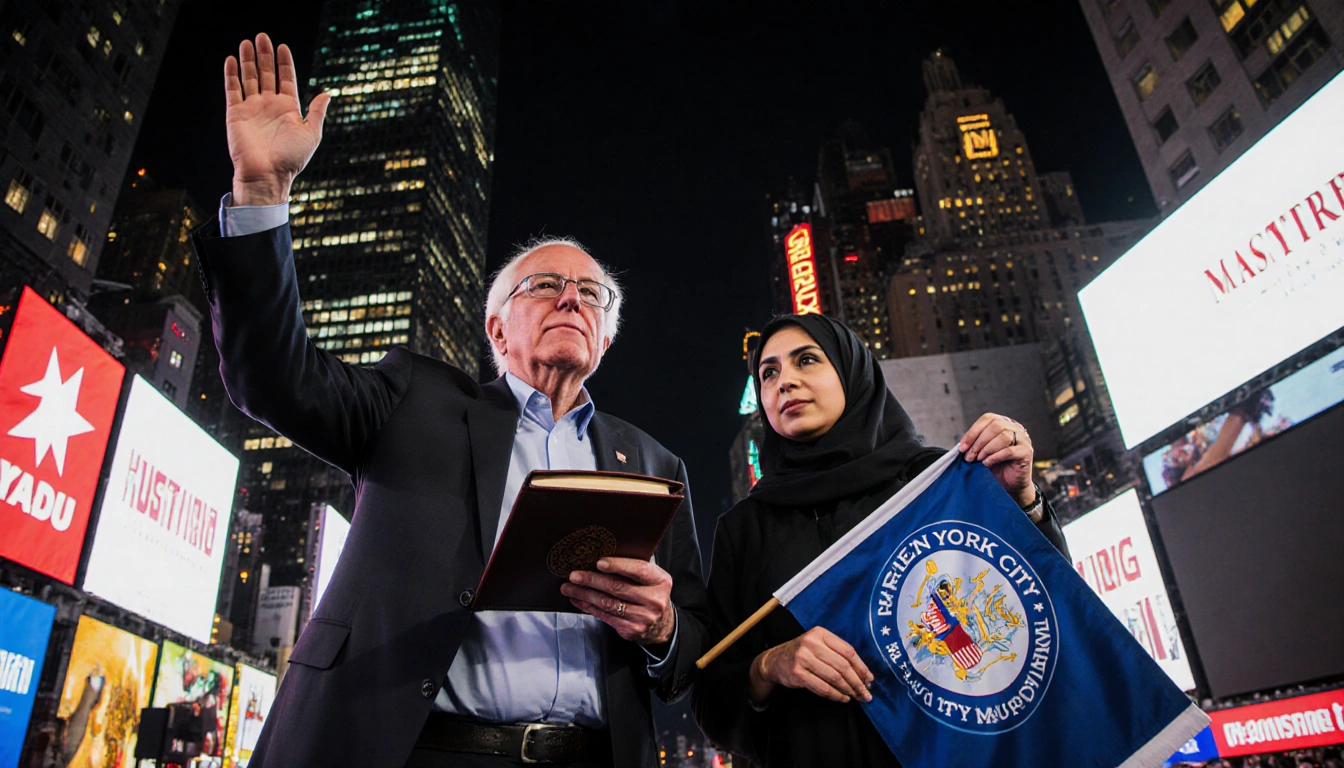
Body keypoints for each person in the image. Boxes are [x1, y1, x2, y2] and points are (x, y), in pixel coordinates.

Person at [195, 34, 707, 767]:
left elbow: (693, 650)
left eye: (591, 294)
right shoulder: (417, 399)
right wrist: (261, 196)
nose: (572, 297)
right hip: (418, 749)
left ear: (605, 334)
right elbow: (273, 378)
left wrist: (661, 630)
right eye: (545, 286)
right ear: (496, 328)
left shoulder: (655, 465)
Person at [691, 314, 1069, 767]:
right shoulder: (745, 529)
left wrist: (1019, 499)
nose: (784, 381)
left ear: (854, 372)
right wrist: (768, 666)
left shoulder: (931, 482)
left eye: (806, 360)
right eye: (768, 372)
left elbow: (1047, 609)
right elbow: (711, 701)